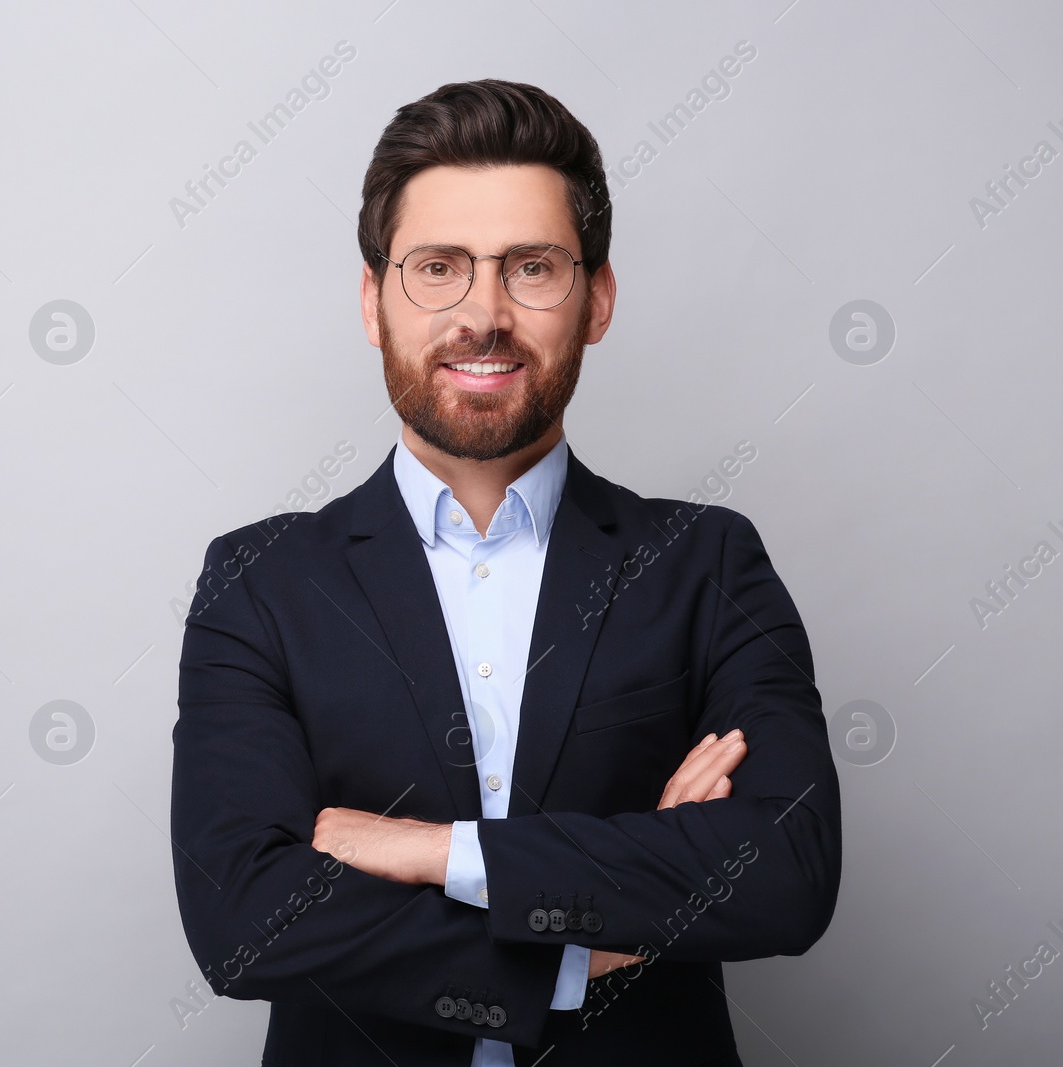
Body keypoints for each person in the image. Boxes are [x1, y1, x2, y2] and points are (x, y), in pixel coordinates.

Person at [170, 78, 841, 1066]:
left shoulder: (705, 561)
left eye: (532, 267)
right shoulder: (261, 580)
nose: (482, 313)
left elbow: (783, 869)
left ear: (597, 297)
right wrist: (595, 934)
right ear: (372, 300)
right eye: (437, 267)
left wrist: (435, 850)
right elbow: (245, 916)